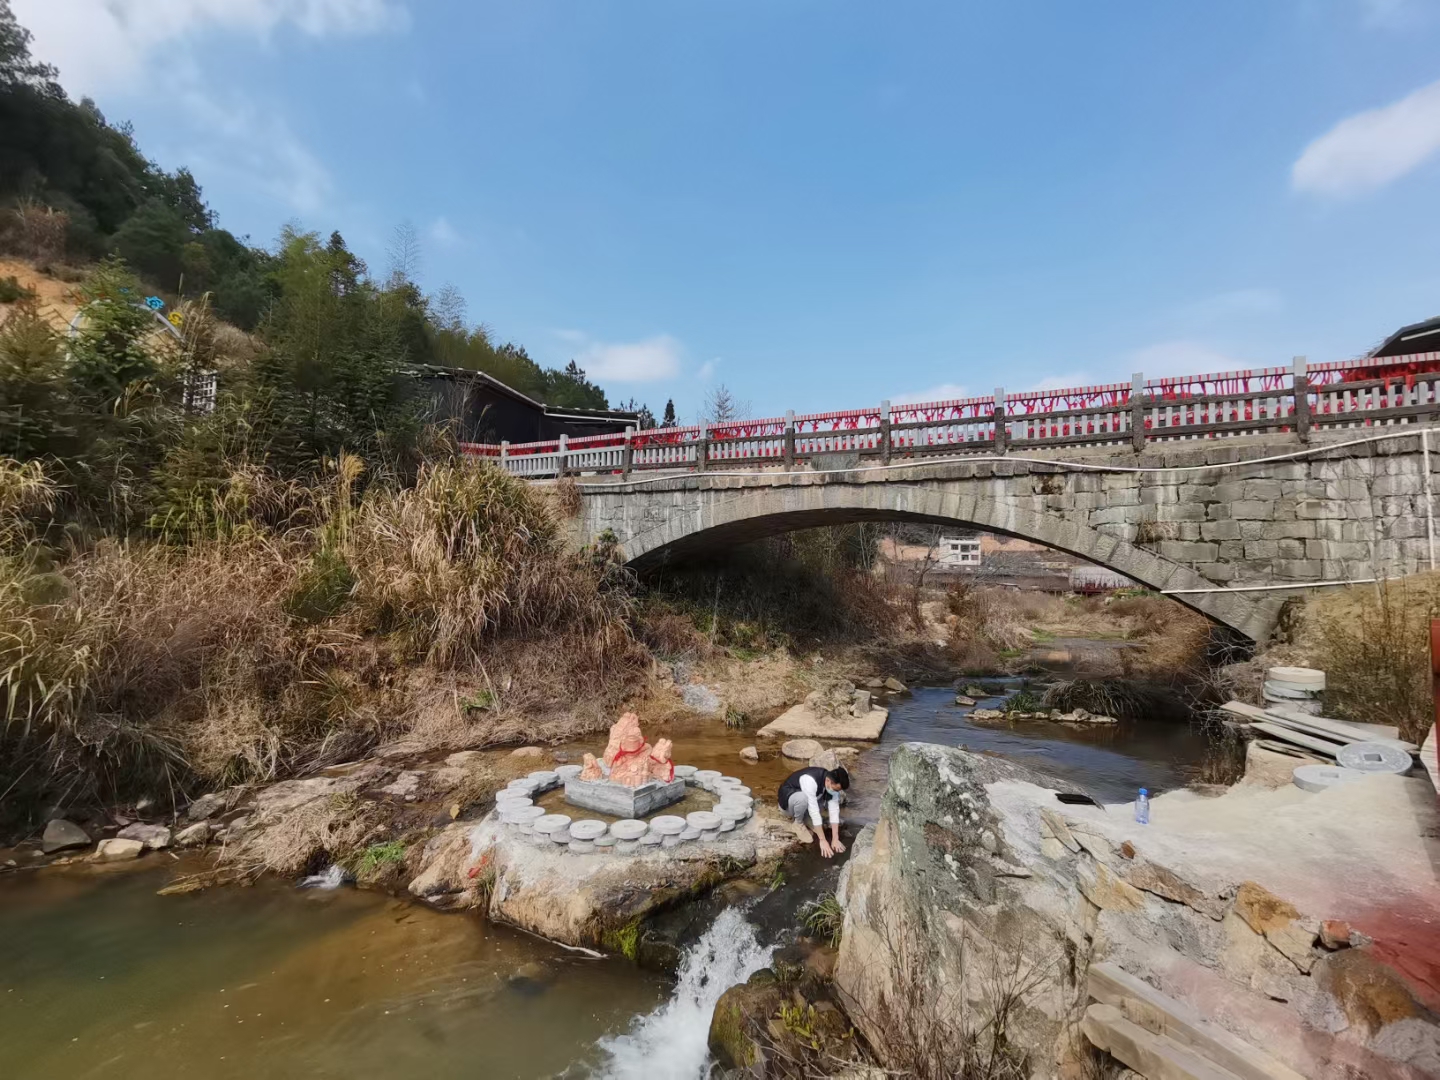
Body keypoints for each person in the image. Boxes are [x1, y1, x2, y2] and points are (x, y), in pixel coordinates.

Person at [777, 765, 849, 858]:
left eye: (838, 790)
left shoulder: (830, 783)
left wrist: (835, 839)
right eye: (835, 789)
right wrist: (822, 840)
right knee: (803, 798)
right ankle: (798, 823)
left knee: (826, 801)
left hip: (806, 803)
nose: (835, 792)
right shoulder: (810, 780)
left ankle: (806, 818)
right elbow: (814, 812)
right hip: (788, 805)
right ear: (828, 781)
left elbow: (834, 810)